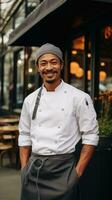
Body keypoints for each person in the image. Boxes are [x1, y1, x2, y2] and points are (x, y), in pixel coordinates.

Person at [18, 43, 99, 200]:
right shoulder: (30, 100)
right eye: (43, 63)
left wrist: (77, 174)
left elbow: (91, 135)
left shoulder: (79, 98)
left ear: (61, 64)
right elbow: (24, 134)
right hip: (33, 171)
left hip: (64, 171)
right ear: (38, 68)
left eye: (53, 62)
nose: (49, 67)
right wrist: (23, 169)